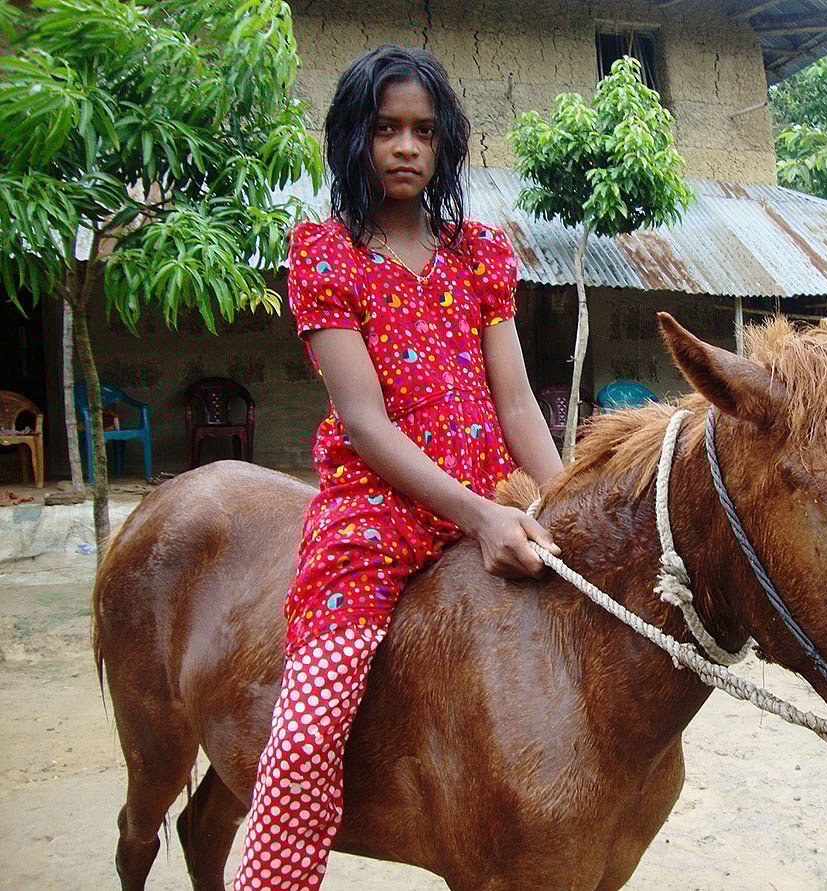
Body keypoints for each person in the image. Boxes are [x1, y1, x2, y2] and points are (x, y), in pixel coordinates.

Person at [233, 45, 564, 890]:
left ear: (445, 143)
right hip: (374, 514)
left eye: (422, 131)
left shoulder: (480, 254)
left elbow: (519, 403)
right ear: (356, 139)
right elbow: (364, 421)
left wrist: (560, 502)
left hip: (495, 488)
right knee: (308, 729)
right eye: (386, 129)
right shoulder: (326, 255)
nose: (406, 147)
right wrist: (477, 517)